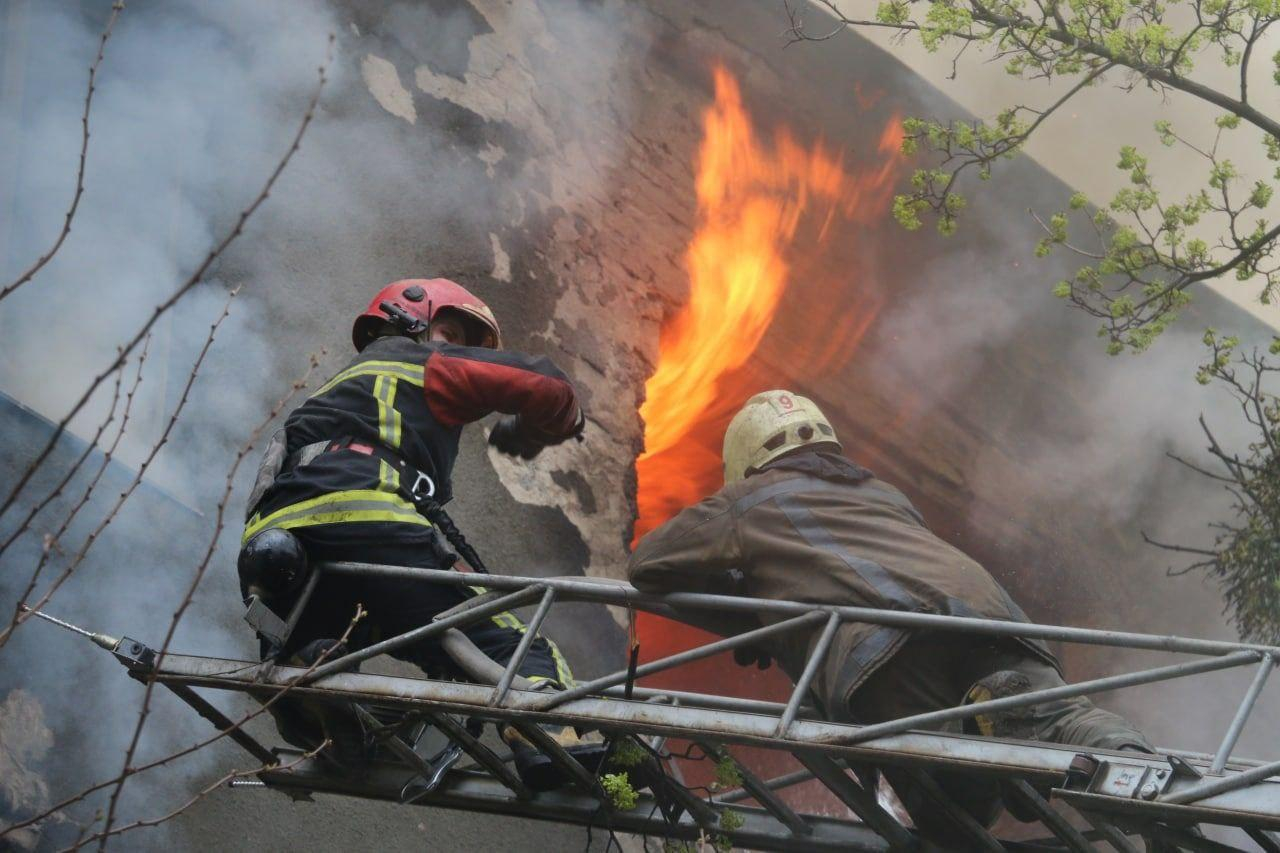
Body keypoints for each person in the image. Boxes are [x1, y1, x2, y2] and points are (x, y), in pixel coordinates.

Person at [627, 389, 1153, 834]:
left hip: (888, 644)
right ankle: (1139, 769)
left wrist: (751, 601)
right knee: (1066, 720)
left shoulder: (751, 499)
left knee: (954, 818)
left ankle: (983, 736)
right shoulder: (883, 493)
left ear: (744, 460)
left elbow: (648, 564)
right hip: (992, 617)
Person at [237, 277, 600, 787]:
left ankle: (315, 685)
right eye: (450, 334)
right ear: (412, 323)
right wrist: (547, 425)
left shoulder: (331, 396)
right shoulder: (421, 362)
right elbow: (547, 384)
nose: (458, 352)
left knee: (344, 646)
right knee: (507, 641)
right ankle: (555, 736)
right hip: (363, 514)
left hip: (276, 553)